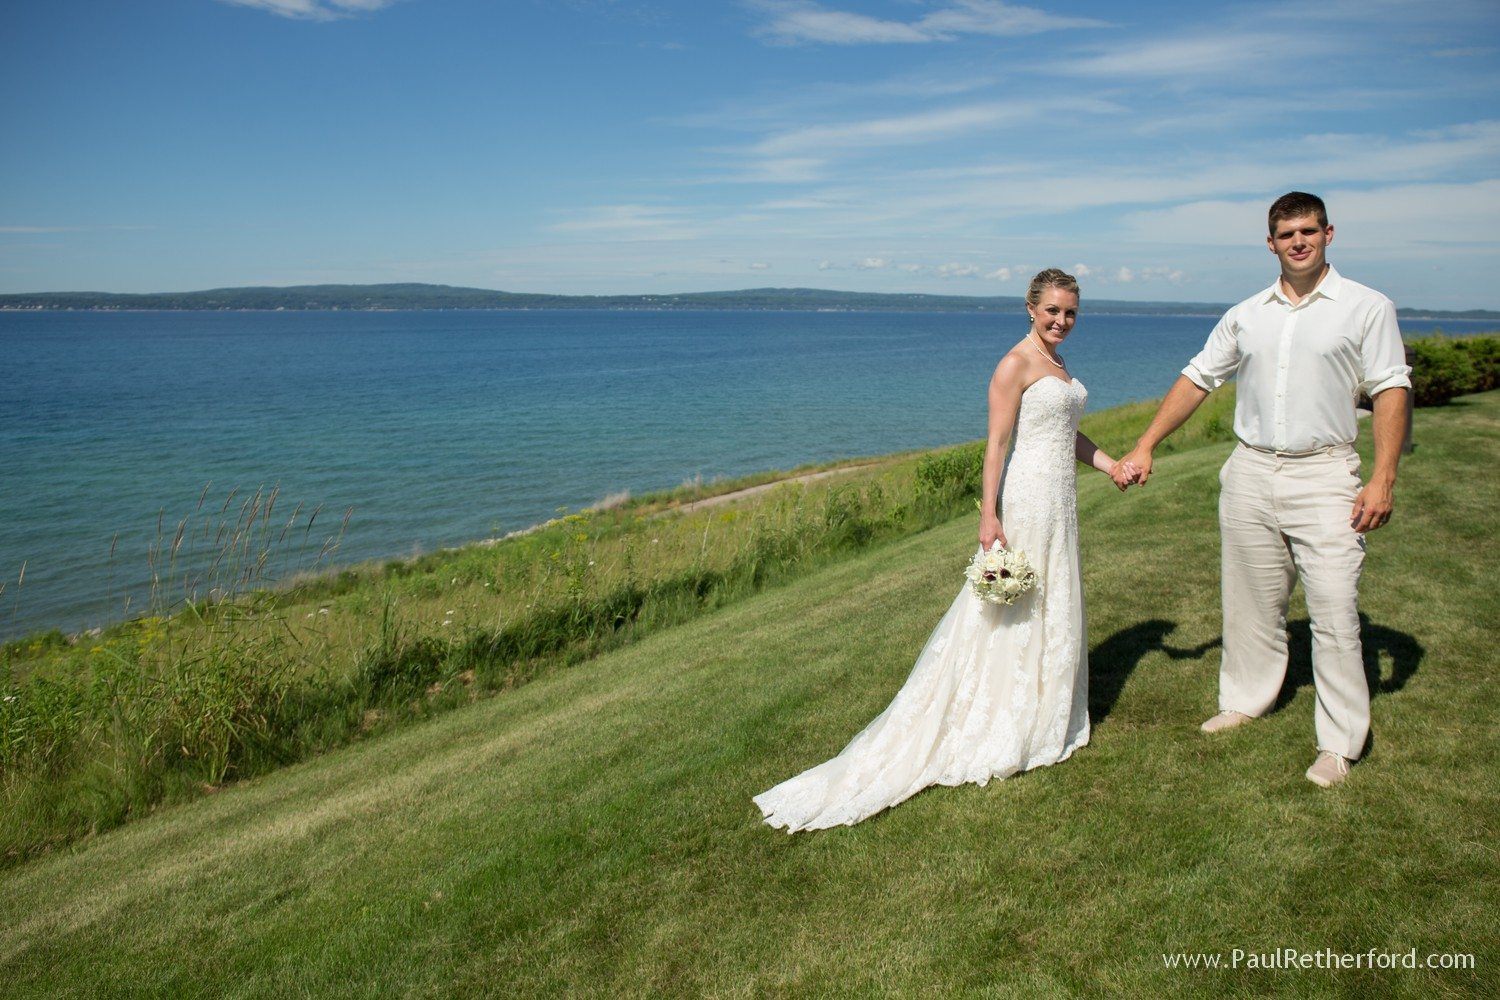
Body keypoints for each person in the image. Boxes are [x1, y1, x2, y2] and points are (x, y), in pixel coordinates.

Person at [753, 268, 1138, 832]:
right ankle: (996, 717)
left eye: (1071, 312)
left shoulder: (1056, 364)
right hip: (1028, 499)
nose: (1062, 320)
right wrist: (989, 515)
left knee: (1049, 600)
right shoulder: (1015, 363)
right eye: (1052, 310)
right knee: (1009, 607)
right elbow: (998, 444)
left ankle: (1042, 709)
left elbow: (1064, 433)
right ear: (1030, 308)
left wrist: (1110, 466)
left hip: (1061, 502)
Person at [1115, 192, 1411, 788]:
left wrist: (1383, 476)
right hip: (1249, 471)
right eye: (1285, 234)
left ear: (1329, 233)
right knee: (1250, 601)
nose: (1297, 241)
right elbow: (1199, 377)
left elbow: (1390, 388)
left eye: (1308, 231)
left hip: (1325, 473)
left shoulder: (1367, 307)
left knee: (1332, 607)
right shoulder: (1246, 313)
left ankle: (1339, 743)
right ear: (1270, 242)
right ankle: (1247, 700)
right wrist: (1146, 443)